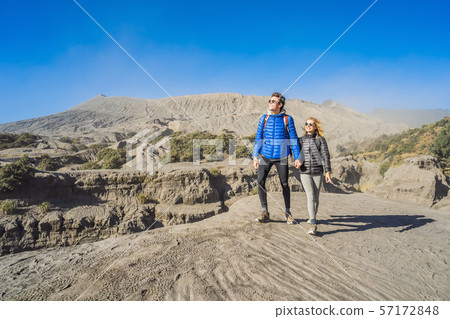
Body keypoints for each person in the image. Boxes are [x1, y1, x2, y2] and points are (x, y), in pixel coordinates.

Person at [252, 92, 302, 224]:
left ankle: (288, 212)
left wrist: (297, 157)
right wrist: (255, 156)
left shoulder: (287, 119)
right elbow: (259, 138)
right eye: (269, 101)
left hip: (282, 157)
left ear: (280, 104)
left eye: (273, 101)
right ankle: (265, 212)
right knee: (260, 181)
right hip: (265, 155)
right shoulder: (264, 119)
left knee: (284, 184)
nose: (270, 103)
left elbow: (293, 139)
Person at [298, 117, 332, 235]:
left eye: (311, 124)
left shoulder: (320, 140)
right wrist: (296, 160)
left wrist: (327, 171)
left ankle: (312, 216)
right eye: (306, 123)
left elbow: (325, 156)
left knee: (316, 198)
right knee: (310, 195)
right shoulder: (300, 140)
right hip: (305, 171)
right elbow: (295, 152)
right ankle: (313, 224)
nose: (308, 125)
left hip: (318, 172)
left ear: (315, 127)